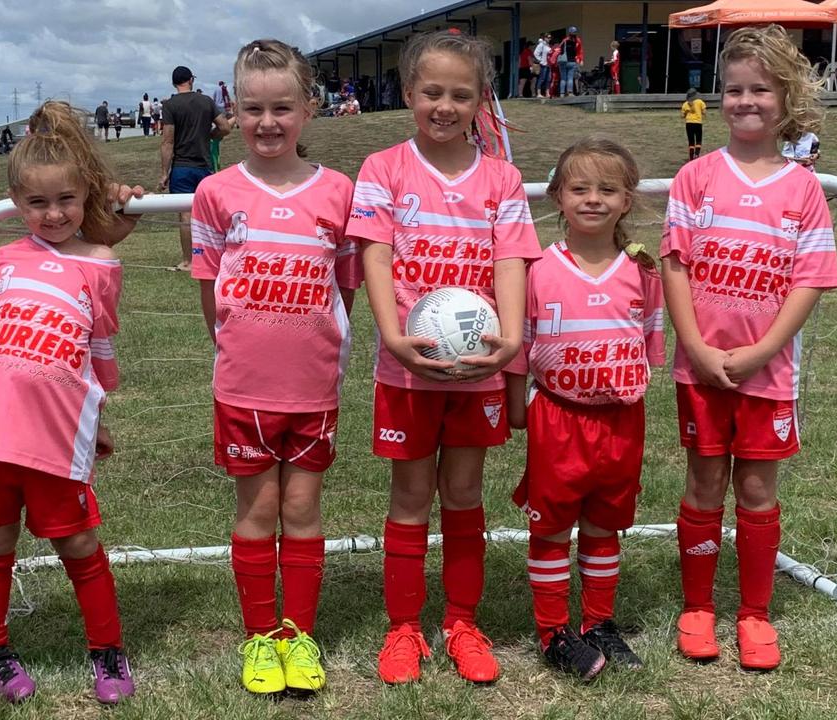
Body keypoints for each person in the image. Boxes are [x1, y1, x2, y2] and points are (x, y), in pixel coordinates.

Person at [347, 29, 540, 686]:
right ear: (409, 94)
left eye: (461, 94)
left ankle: (462, 622)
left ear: (482, 101)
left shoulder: (502, 178)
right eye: (432, 91)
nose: (445, 105)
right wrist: (394, 336)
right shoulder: (383, 170)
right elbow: (373, 254)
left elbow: (511, 260)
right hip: (408, 368)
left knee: (462, 492)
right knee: (409, 497)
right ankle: (403, 627)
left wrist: (509, 339)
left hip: (477, 369)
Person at [661, 24, 837, 673]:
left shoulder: (800, 189)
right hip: (701, 369)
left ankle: (755, 615)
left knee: (758, 490)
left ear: (784, 97)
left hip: (769, 374)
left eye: (759, 89)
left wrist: (764, 348)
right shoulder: (695, 177)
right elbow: (674, 264)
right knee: (705, 482)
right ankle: (699, 608)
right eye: (733, 89)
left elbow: (811, 278)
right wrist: (696, 346)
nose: (745, 101)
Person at [0, 101, 136, 706]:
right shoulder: (1, 260)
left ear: (84, 196)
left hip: (58, 433)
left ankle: (108, 650)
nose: (53, 214)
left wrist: (97, 417)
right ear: (13, 201)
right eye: (37, 203)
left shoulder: (100, 264)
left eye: (67, 200)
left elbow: (98, 347)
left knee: (79, 543)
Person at [188, 38, 359, 696]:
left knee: (304, 510)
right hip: (244, 387)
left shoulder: (338, 192)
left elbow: (345, 285)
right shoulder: (215, 192)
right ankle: (261, 638)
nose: (267, 122)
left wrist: (317, 341)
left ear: (309, 110)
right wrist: (237, 345)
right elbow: (211, 291)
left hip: (312, 386)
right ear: (234, 109)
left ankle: (299, 634)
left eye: (282, 107)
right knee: (258, 513)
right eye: (253, 107)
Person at [506, 138, 665, 681]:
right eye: (579, 188)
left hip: (621, 421)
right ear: (557, 196)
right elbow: (520, 344)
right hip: (558, 417)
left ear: (627, 199)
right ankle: (553, 630)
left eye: (607, 189)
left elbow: (647, 343)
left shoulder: (644, 273)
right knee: (551, 528)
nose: (592, 199)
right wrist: (515, 407)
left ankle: (598, 623)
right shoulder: (536, 270)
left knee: (603, 524)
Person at [159, 64, 233, 271]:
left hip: (182, 166)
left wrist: (164, 173)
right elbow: (225, 127)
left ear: (174, 83)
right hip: (205, 165)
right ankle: (216, 256)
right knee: (210, 214)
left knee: (185, 214)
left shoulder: (170, 105)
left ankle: (189, 261)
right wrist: (210, 136)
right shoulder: (206, 101)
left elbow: (167, 141)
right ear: (191, 80)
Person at [556, 27, 584, 97]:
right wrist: (581, 59)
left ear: (569, 32)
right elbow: (580, 51)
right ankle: (570, 93)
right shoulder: (577, 41)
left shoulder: (565, 40)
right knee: (570, 78)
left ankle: (562, 94)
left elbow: (559, 49)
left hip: (563, 61)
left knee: (563, 78)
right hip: (572, 61)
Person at [681, 88, 706, 161]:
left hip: (689, 123)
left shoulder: (685, 104)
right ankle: (697, 154)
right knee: (698, 139)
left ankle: (691, 157)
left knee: (691, 141)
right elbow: (704, 112)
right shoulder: (700, 102)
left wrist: (687, 113)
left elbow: (682, 116)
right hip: (698, 123)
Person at [535, 33, 553, 98]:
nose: (549, 39)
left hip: (548, 65)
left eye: (550, 37)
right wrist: (541, 60)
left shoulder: (548, 45)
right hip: (543, 64)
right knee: (542, 79)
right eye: (548, 37)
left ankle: (547, 93)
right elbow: (536, 53)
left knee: (548, 79)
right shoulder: (541, 45)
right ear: (545, 38)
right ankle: (538, 93)